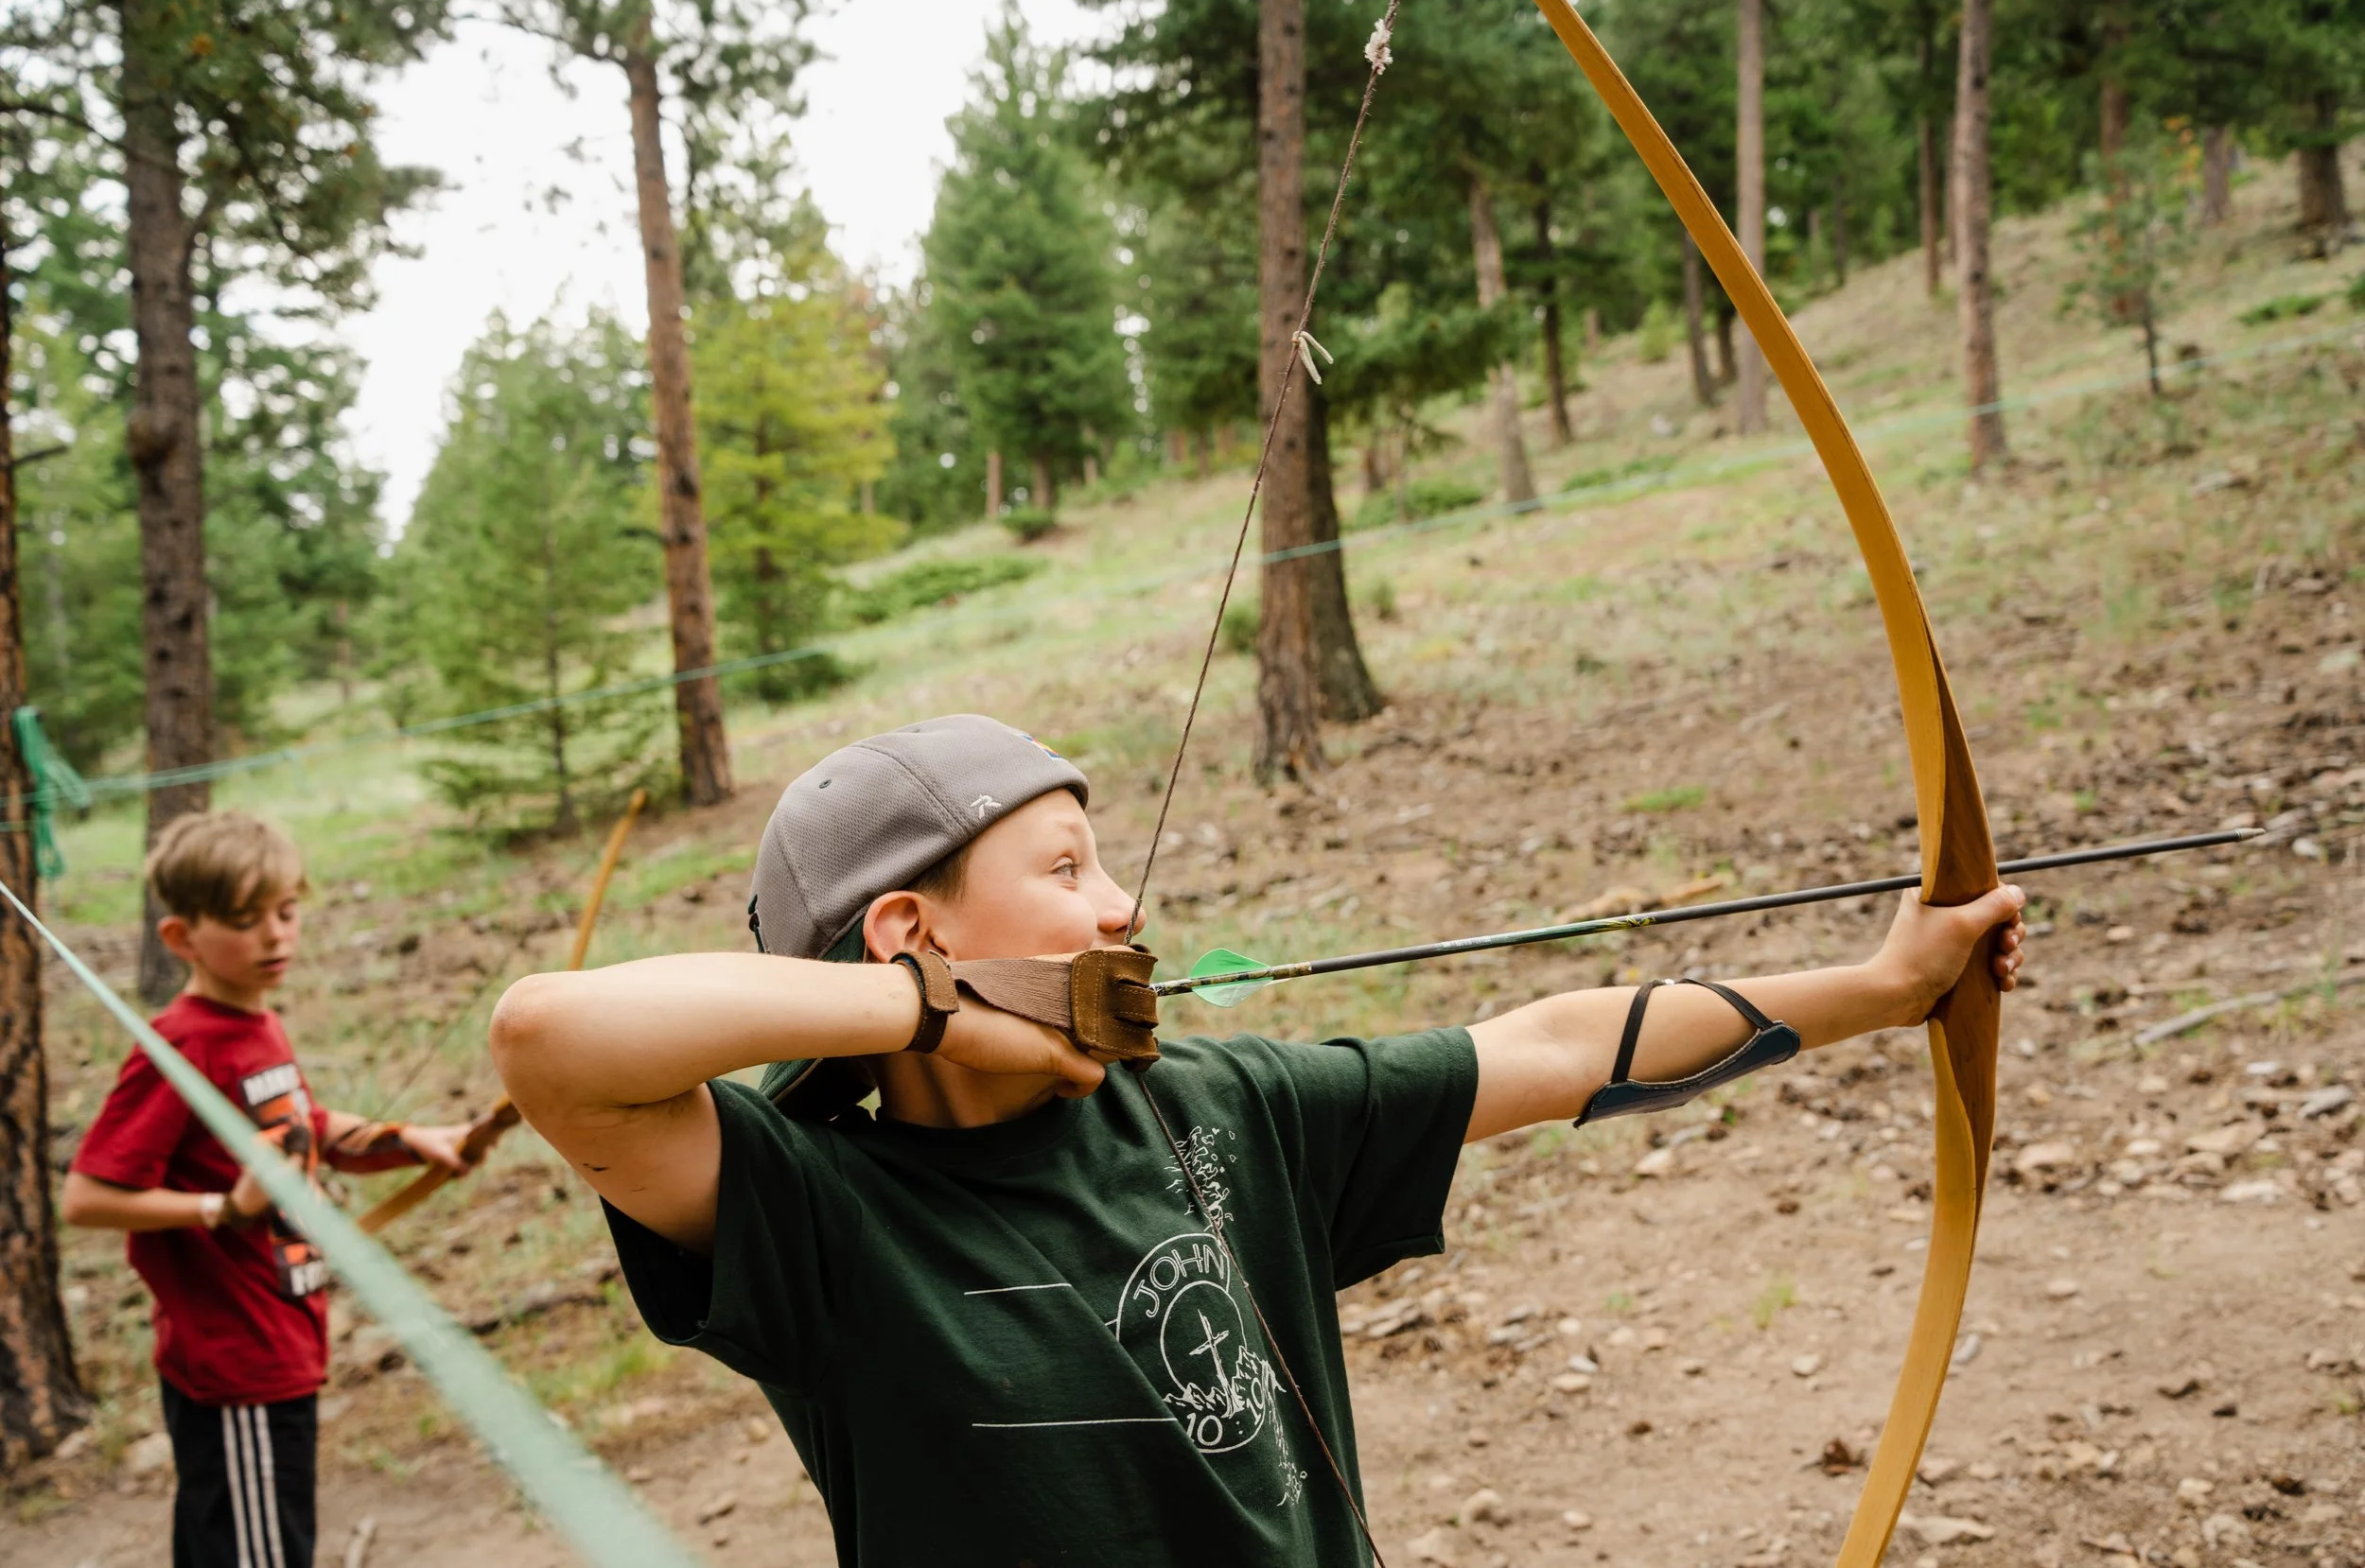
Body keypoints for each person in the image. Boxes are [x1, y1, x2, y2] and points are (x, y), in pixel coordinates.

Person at [490, 714, 2026, 1566]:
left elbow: (1554, 1050)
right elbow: (549, 1040)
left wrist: (1886, 988)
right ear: (908, 928)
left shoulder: (1219, 1106)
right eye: (1066, 869)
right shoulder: (815, 1210)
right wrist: (940, 1015)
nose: (1120, 906)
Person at [62, 810, 482, 1568]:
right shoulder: (185, 1042)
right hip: (236, 1361)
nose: (275, 936)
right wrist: (224, 1208)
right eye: (244, 921)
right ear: (181, 938)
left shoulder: (254, 1023)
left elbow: (297, 1128)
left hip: (276, 1338)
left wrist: (408, 1140)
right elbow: (88, 1196)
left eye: (287, 911)